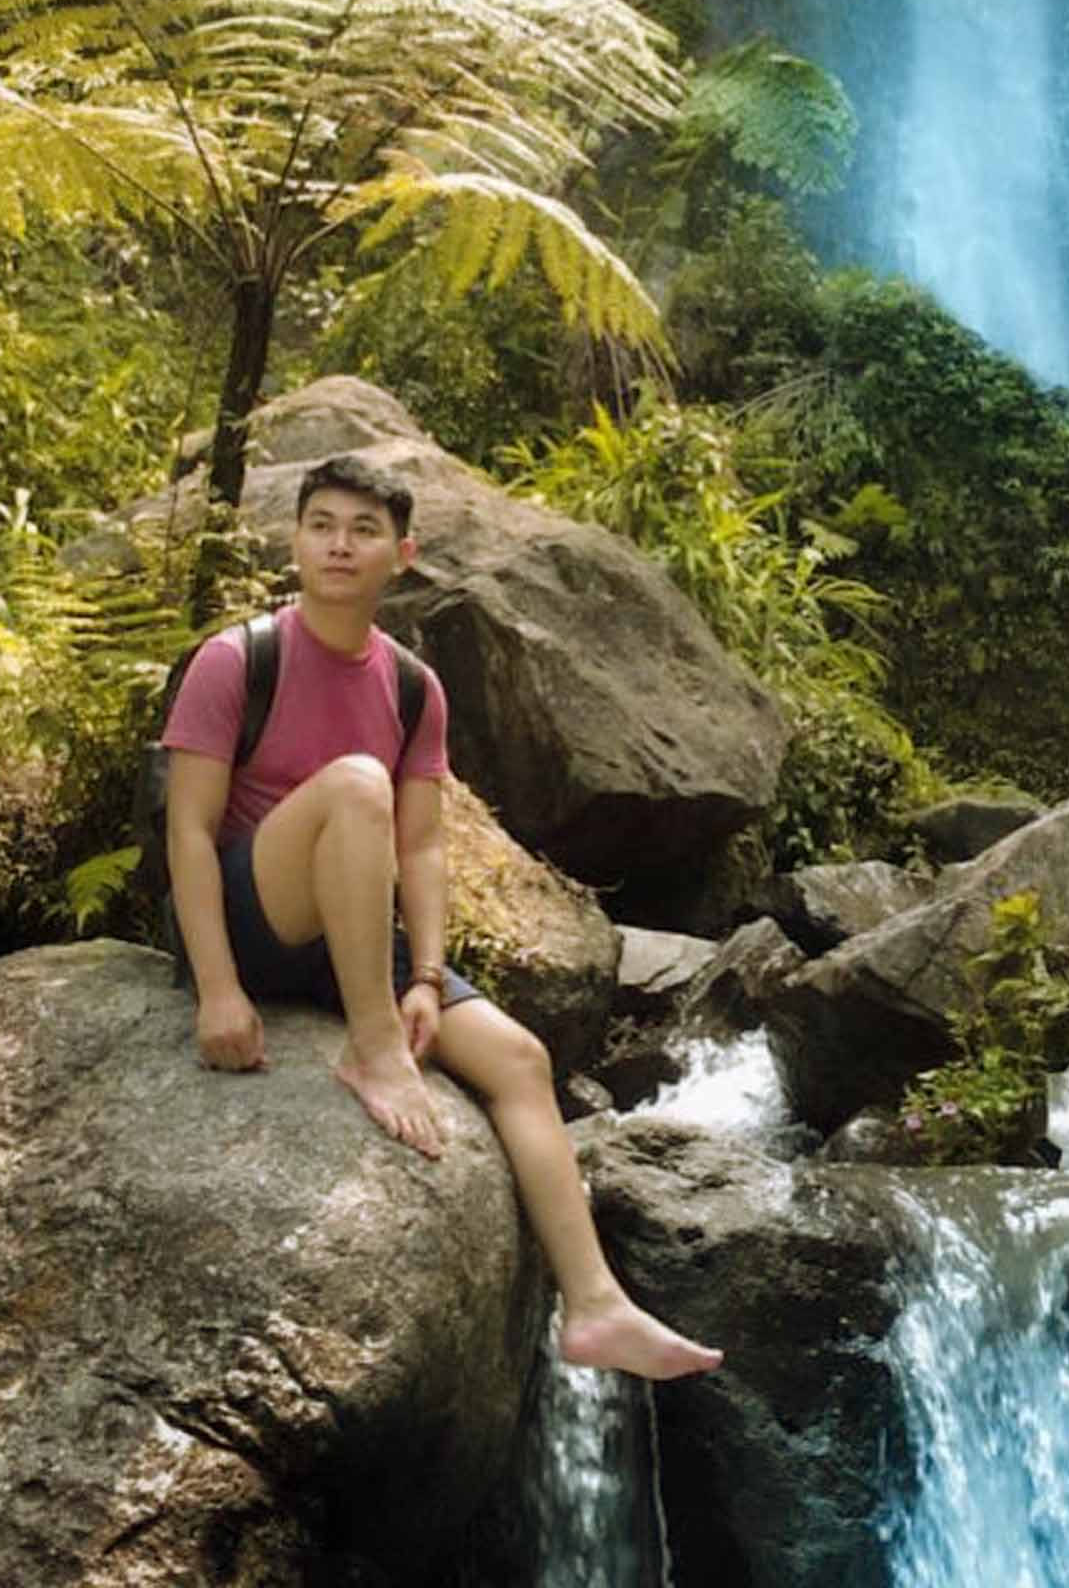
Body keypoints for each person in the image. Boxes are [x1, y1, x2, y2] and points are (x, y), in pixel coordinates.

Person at [163, 452, 722, 1383]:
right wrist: (217, 989)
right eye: (322, 526)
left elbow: (422, 848)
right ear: (295, 540)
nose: (339, 546)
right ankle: (371, 1051)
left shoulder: (413, 686)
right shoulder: (237, 659)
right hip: (251, 911)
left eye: (363, 530)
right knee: (353, 781)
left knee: (520, 1060)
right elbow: (187, 830)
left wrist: (424, 976)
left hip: (352, 937)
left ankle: (594, 1305)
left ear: (403, 553)